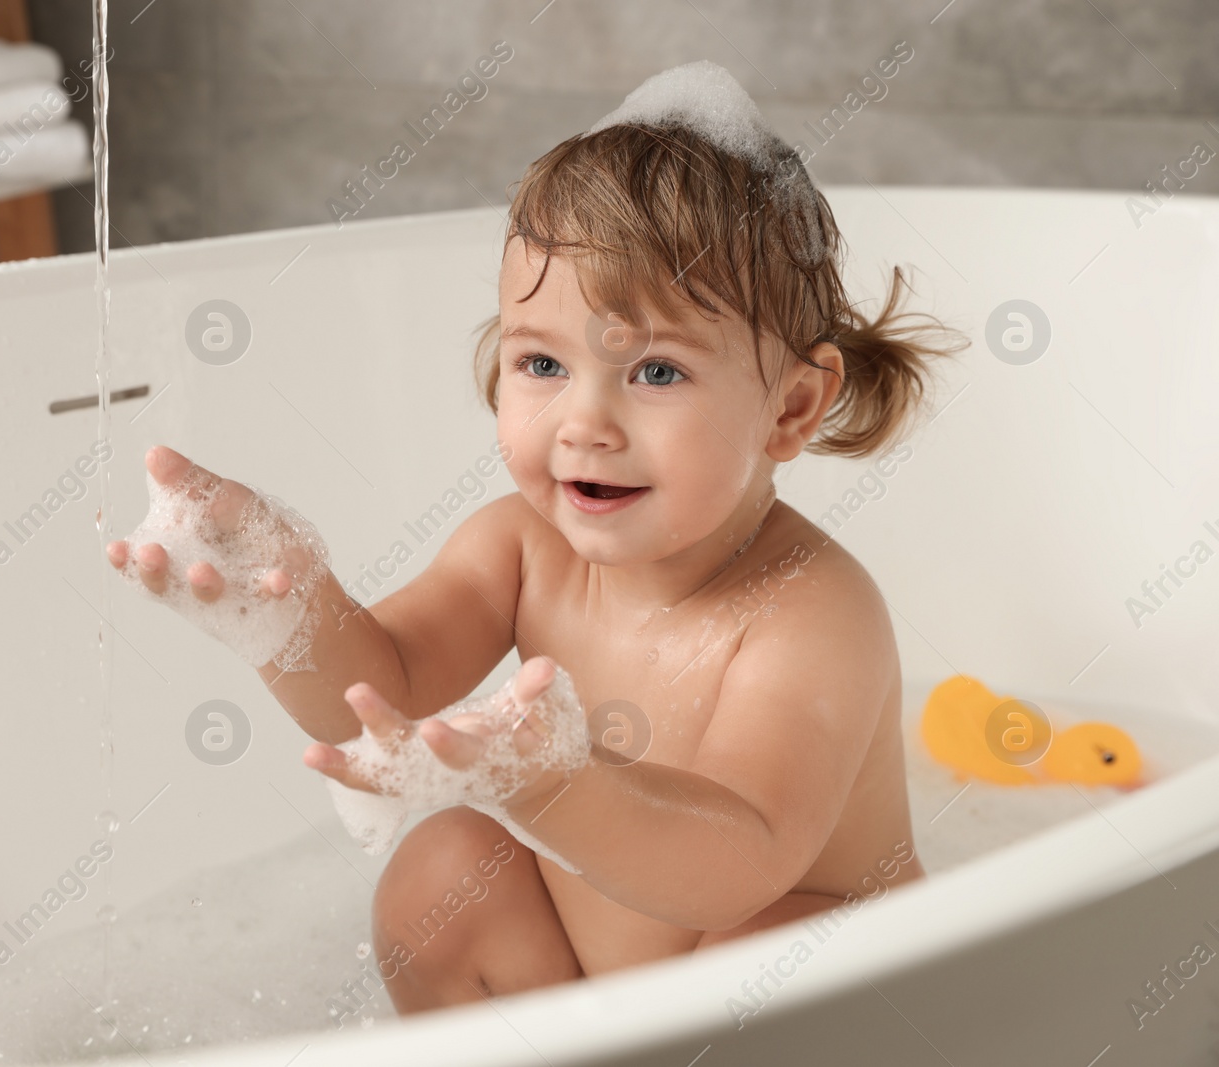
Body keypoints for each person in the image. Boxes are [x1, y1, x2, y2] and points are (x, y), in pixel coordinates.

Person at [107, 63, 963, 1014]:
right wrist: (292, 615)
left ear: (791, 406)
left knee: (784, 954)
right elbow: (375, 692)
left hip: (822, 994)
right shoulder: (518, 547)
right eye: (543, 362)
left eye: (657, 371)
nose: (583, 419)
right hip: (606, 994)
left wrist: (551, 786)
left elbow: (743, 861)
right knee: (443, 870)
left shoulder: (810, 611)